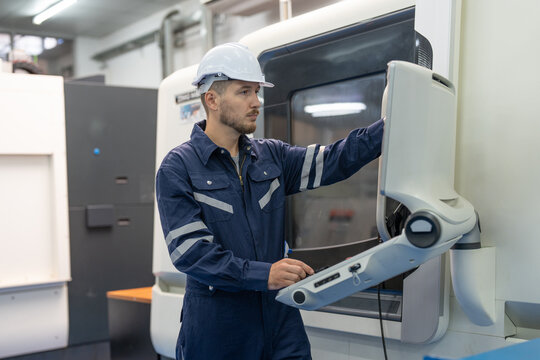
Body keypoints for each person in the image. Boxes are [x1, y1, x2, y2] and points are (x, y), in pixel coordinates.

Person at [156, 42, 384, 360]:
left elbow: (335, 159)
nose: (256, 102)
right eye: (244, 92)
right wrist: (264, 275)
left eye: (257, 92)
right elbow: (192, 253)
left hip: (280, 322)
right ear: (213, 99)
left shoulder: (271, 156)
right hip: (219, 329)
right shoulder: (179, 167)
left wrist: (388, 128)